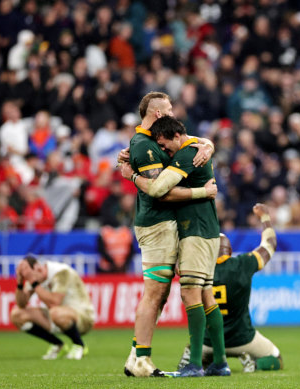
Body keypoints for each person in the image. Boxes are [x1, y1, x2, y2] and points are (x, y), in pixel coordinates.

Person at [121, 115, 229, 377]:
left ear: (176, 137)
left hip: (196, 231)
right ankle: (219, 362)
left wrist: (133, 176)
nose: (165, 151)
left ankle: (194, 364)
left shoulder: (186, 154)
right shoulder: (196, 147)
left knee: (191, 293)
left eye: (165, 145)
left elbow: (158, 189)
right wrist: (209, 143)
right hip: (203, 230)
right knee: (204, 294)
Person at [176, 203, 282, 373]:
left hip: (208, 341)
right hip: (243, 339)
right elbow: (270, 245)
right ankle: (253, 364)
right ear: (229, 250)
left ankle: (197, 356)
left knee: (198, 356)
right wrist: (265, 218)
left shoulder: (198, 268)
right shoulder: (243, 263)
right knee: (275, 357)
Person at [10, 255, 94, 360]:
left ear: (38, 267)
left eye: (29, 274)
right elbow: (21, 304)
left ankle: (79, 345)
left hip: (82, 317)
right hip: (57, 315)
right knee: (17, 315)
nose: (29, 278)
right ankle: (58, 345)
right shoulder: (34, 277)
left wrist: (34, 283)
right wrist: (20, 283)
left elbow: (54, 302)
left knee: (55, 312)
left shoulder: (61, 272)